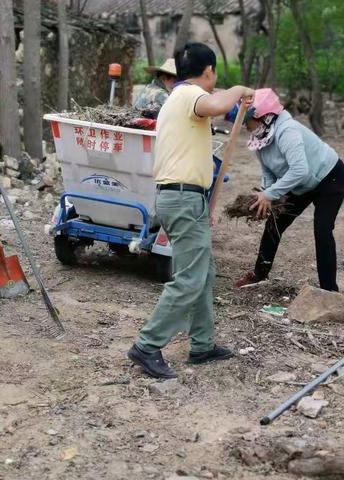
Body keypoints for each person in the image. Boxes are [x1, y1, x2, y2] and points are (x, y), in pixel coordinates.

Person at [127, 43, 254, 379]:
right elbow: (215, 104)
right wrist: (240, 89)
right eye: (214, 74)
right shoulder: (189, 96)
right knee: (190, 278)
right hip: (182, 198)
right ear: (208, 70)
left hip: (183, 198)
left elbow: (216, 106)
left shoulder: (177, 98)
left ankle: (202, 344)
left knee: (203, 272)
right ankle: (147, 344)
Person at [228, 88, 344, 291]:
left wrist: (271, 194)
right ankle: (259, 274)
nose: (246, 126)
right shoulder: (261, 137)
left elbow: (300, 169)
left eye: (247, 121)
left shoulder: (286, 131)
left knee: (323, 229)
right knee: (274, 223)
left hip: (329, 177)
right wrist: (267, 194)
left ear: (264, 116)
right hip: (301, 182)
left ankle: (329, 291)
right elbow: (268, 171)